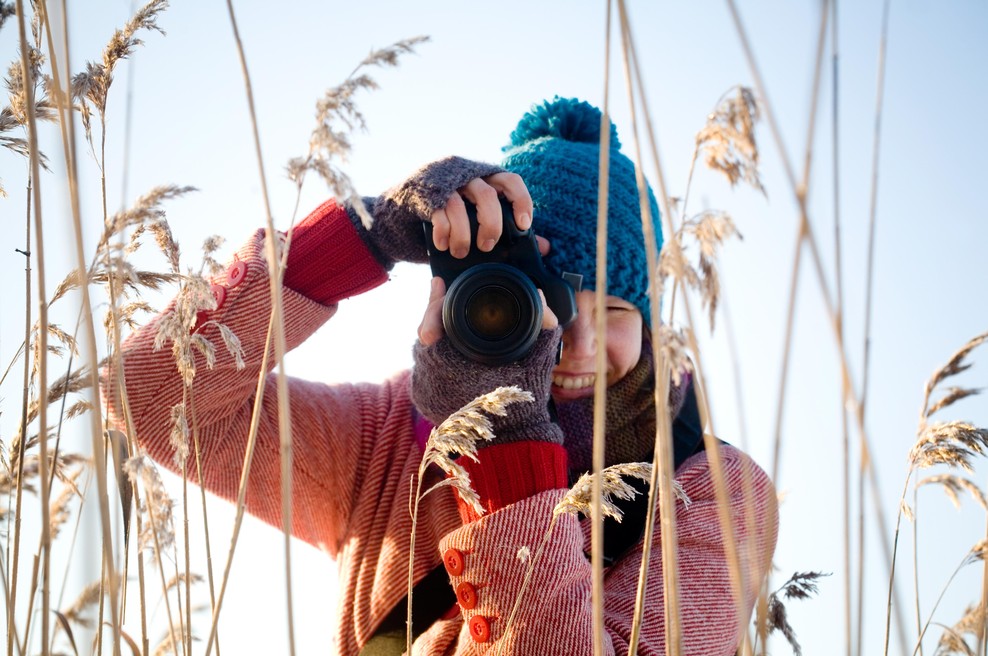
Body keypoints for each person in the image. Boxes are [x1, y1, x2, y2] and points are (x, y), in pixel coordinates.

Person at [106, 97, 778, 655]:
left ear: (653, 324)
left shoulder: (713, 490)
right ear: (476, 294)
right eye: (545, 302)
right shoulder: (385, 439)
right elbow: (148, 397)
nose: (577, 341)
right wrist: (357, 238)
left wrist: (506, 442)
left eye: (617, 311)